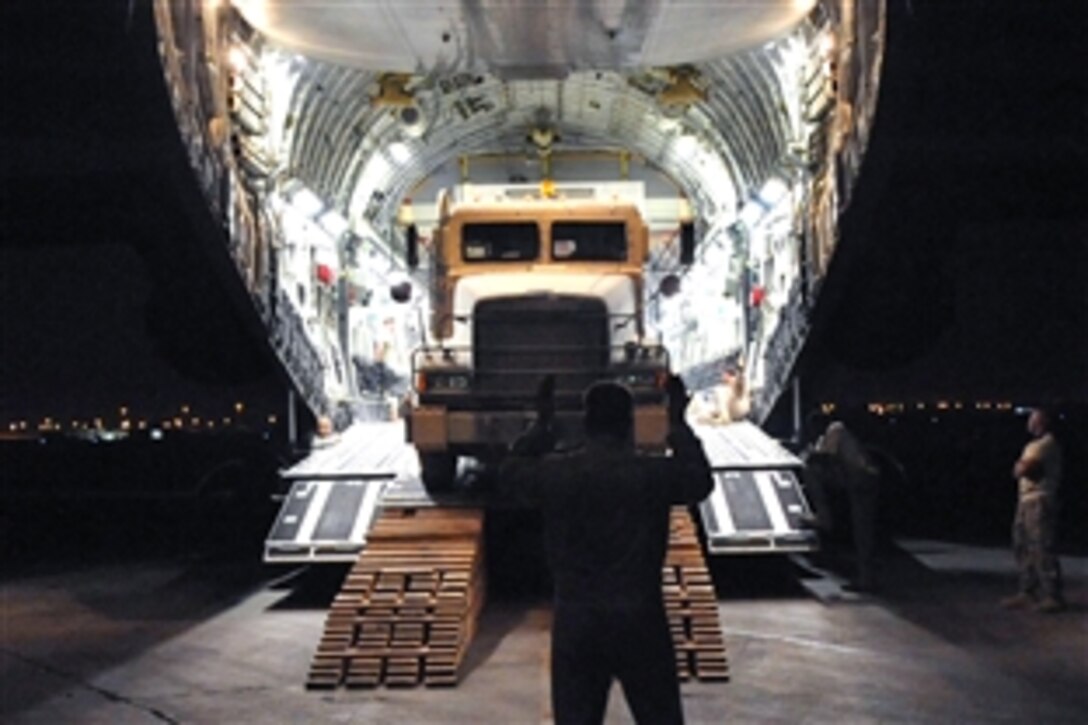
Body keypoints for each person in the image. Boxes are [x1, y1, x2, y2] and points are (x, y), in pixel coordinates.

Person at [500, 375, 713, 725]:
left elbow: (510, 475)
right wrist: (677, 424)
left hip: (577, 618)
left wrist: (540, 428)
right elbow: (699, 479)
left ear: (586, 423)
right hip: (640, 617)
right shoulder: (651, 475)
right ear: (629, 424)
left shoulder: (557, 473)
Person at [1001, 408, 1064, 613]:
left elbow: (1024, 470)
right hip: (1027, 499)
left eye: (1033, 418)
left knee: (1041, 545)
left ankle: (1051, 594)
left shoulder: (1045, 445)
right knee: (1023, 545)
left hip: (1039, 499)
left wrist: (1020, 466)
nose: (1029, 422)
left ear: (1041, 422)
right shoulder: (1035, 446)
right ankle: (1028, 591)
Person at [812, 420, 881, 593]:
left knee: (862, 533)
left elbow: (826, 452)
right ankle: (866, 578)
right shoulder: (850, 434)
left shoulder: (836, 429)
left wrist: (818, 446)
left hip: (859, 481)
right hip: (866, 478)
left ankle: (866, 580)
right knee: (864, 533)